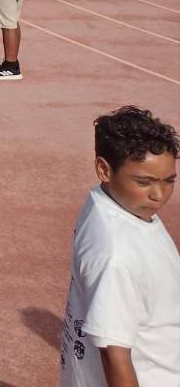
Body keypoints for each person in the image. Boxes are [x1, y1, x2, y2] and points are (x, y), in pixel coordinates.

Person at [60, 106, 180, 387]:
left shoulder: (110, 201)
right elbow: (114, 356)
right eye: (144, 182)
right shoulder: (116, 255)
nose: (159, 195)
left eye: (169, 181)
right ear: (104, 169)